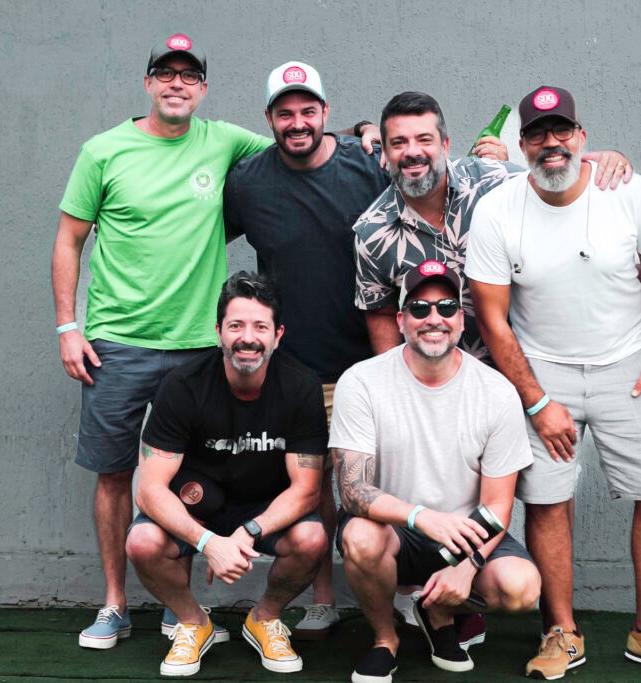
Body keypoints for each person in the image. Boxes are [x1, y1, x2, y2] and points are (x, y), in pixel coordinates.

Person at [53, 39, 379, 647]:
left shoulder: (230, 142)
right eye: (165, 74)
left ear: (203, 89)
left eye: (190, 76)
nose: (177, 84)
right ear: (148, 82)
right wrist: (68, 327)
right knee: (115, 473)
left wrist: (368, 130)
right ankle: (117, 605)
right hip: (118, 340)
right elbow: (69, 239)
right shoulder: (104, 151)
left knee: (218, 470)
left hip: (206, 343)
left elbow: (319, 143)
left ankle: (208, 608)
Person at [466, 85, 641, 680]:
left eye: (561, 131)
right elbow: (492, 315)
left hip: (631, 366)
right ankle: (560, 632)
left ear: (582, 137)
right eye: (538, 134)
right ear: (521, 146)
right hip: (543, 371)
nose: (551, 143)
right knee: (546, 500)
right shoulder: (497, 210)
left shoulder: (626, 192)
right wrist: (537, 399)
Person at [222, 60, 390, 639]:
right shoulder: (247, 181)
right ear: (269, 118)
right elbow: (193, 238)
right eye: (285, 112)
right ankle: (322, 598)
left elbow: (437, 177)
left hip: (374, 357)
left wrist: (591, 163)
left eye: (308, 110)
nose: (297, 122)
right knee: (314, 486)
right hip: (298, 364)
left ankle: (408, 591)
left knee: (379, 480)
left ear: (326, 114)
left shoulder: (367, 163)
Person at [330, 261, 541, 682]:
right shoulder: (362, 381)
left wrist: (468, 567)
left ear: (461, 320)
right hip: (396, 531)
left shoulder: (495, 391)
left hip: (467, 535)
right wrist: (421, 516)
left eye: (446, 308)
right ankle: (385, 639)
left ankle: (438, 611)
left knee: (522, 588)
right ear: (401, 319)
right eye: (420, 308)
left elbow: (497, 504)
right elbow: (352, 491)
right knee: (359, 534)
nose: (434, 319)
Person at [125, 271, 329, 677]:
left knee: (313, 537)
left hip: (265, 510)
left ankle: (265, 618)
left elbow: (307, 491)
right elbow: (149, 490)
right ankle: (192, 622)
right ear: (218, 331)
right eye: (236, 325)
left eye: (259, 326)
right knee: (142, 541)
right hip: (201, 508)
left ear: (278, 334)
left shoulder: (301, 386)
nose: (247, 337)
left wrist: (246, 532)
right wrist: (207, 542)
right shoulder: (182, 386)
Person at [353, 91, 634, 362]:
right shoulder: (372, 232)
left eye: (424, 139)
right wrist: (396, 383)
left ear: (446, 145)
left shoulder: (495, 182)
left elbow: (555, 174)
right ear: (385, 152)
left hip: (525, 368)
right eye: (399, 142)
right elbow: (381, 313)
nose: (412, 152)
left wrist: (607, 160)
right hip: (433, 381)